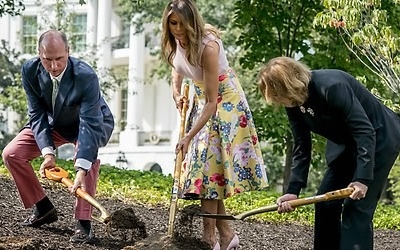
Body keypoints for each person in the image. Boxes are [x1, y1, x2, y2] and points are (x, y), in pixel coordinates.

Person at [258, 56, 400, 250]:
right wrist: (293, 191)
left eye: (277, 96)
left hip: (379, 138)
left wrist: (362, 179)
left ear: (288, 86)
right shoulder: (293, 103)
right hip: (347, 145)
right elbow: (302, 144)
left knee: (356, 208)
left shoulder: (332, 87)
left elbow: (364, 130)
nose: (277, 102)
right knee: (325, 204)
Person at [161, 1, 269, 249]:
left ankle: (209, 239)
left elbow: (212, 102)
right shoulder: (175, 39)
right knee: (211, 174)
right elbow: (177, 66)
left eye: (181, 24)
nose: (177, 29)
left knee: (208, 173)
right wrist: (176, 91)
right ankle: (226, 234)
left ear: (192, 21)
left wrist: (188, 137)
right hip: (200, 100)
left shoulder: (208, 46)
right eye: (172, 23)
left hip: (223, 104)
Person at [2, 30, 114, 244]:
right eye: (47, 60)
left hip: (89, 122)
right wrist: (48, 153)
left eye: (59, 59)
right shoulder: (30, 70)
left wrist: (81, 168)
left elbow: (89, 124)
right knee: (11, 154)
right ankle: (43, 207)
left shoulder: (85, 76)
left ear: (68, 53)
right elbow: (36, 114)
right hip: (56, 122)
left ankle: (84, 224)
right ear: (39, 55)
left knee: (88, 161)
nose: (53, 67)